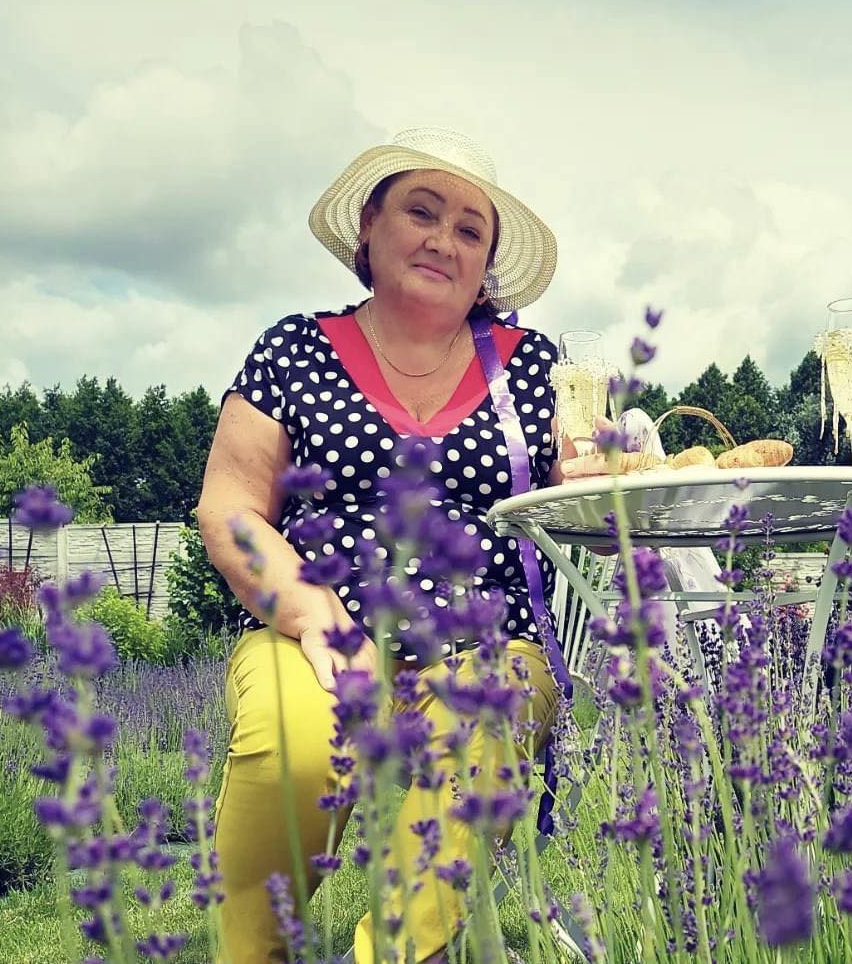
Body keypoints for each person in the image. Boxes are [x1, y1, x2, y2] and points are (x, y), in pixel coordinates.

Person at [197, 128, 572, 963]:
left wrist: (609, 464)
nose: (444, 239)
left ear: (487, 264)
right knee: (292, 745)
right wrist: (315, 616)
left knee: (483, 721)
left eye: (470, 229)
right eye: (422, 211)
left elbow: (583, 498)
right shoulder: (294, 350)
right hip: (320, 628)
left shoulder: (534, 367)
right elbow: (230, 507)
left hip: (488, 641)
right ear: (369, 226)